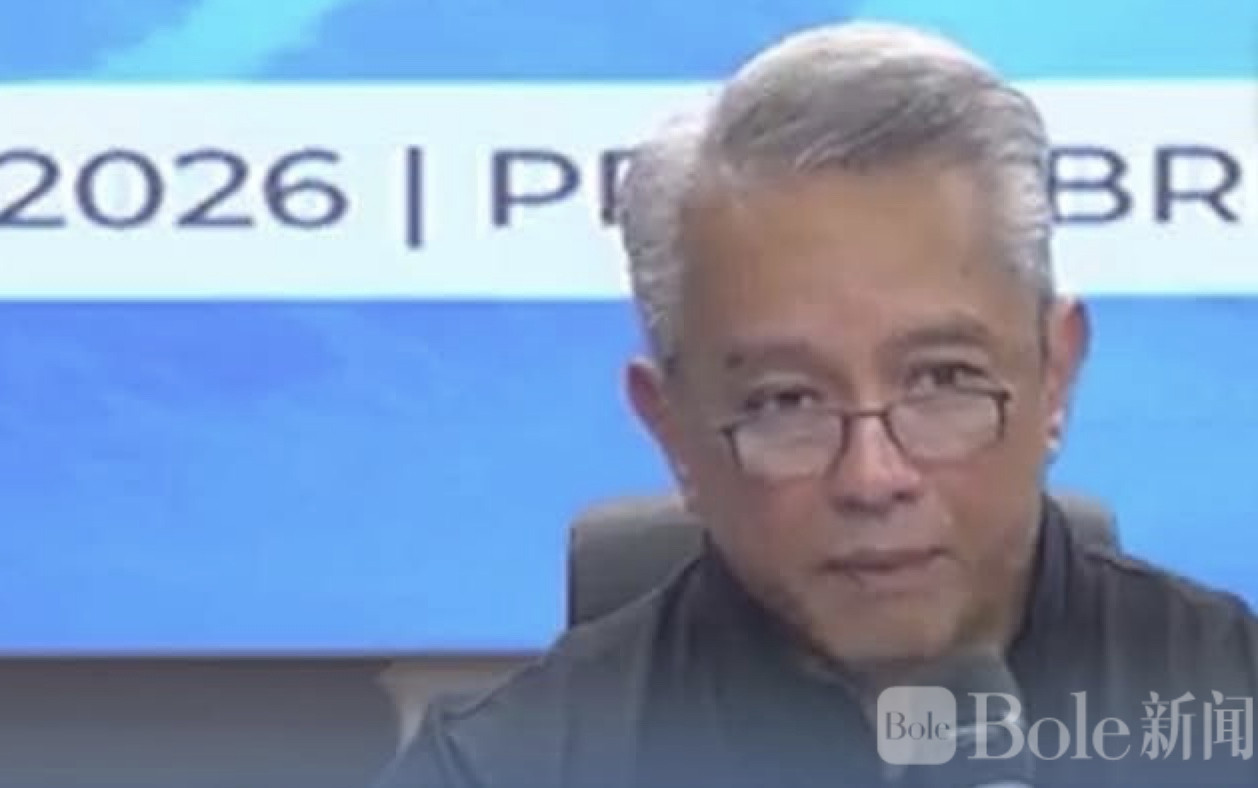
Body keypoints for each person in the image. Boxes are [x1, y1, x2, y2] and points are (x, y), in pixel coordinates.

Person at [382, 21, 1258, 787]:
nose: (873, 479)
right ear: (672, 431)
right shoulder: (500, 770)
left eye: (942, 380)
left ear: (1055, 374)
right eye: (786, 400)